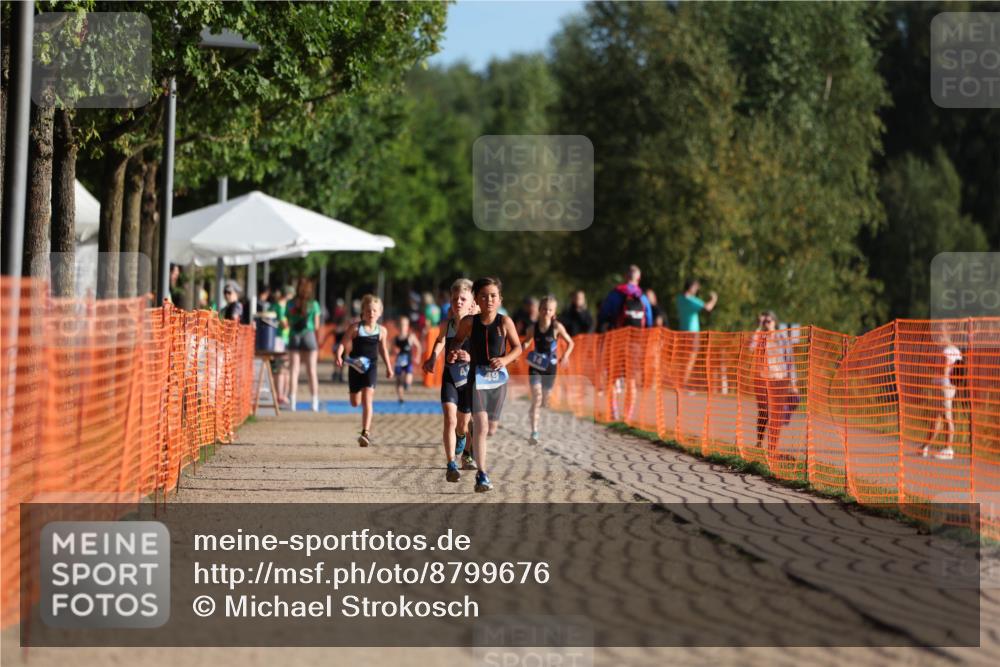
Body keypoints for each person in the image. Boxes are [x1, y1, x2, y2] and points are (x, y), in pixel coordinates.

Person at [449, 277, 523, 492]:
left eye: (493, 296)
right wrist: (455, 351)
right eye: (483, 296)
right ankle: (482, 475)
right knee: (481, 427)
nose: (488, 300)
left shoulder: (505, 322)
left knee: (490, 429)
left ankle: (470, 442)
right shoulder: (469, 322)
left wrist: (505, 360)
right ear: (477, 299)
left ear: (500, 299)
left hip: (498, 381)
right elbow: (457, 340)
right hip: (477, 379)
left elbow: (518, 348)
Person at [423, 279, 476, 482]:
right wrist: (432, 358)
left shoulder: (476, 325)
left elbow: (485, 354)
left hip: (469, 380)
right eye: (455, 299)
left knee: (464, 424)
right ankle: (451, 464)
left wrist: (470, 357)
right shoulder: (448, 325)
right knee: (450, 418)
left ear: (472, 301)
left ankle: (463, 442)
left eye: (463, 298)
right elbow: (440, 341)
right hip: (450, 377)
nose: (458, 302)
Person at [335, 295, 393, 447]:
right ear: (363, 312)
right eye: (368, 310)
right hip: (355, 367)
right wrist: (338, 356)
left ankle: (365, 432)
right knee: (355, 403)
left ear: (380, 312)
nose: (371, 313)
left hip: (371, 368)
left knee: (368, 398)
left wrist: (388, 366)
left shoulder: (382, 331)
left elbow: (383, 349)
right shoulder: (355, 328)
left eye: (374, 310)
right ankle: (357, 396)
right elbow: (342, 344)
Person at [525, 295, 574, 445]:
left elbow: (570, 342)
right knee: (537, 397)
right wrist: (519, 349)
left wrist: (565, 355)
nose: (547, 312)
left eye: (550, 309)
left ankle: (534, 410)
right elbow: (526, 342)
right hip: (535, 366)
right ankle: (534, 432)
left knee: (545, 400)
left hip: (550, 367)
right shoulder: (533, 328)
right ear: (539, 310)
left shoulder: (557, 327)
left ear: (554, 312)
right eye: (544, 308)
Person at [750, 311, 798, 461]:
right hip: (762, 379)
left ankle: (772, 447)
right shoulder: (760, 337)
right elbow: (751, 346)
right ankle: (759, 442)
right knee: (763, 412)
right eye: (764, 321)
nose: (766, 324)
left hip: (779, 379)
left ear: (775, 322)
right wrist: (758, 326)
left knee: (775, 415)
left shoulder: (782, 338)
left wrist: (793, 382)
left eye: (768, 321)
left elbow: (790, 360)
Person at [287, 277, 322, 412]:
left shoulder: (291, 304)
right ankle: (314, 402)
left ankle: (293, 402)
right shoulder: (314, 304)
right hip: (309, 336)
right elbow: (317, 325)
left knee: (294, 371)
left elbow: (289, 322)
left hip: (294, 336)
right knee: (311, 371)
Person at [925, 337, 963, 460]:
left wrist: (932, 364)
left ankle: (948, 448)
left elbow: (944, 369)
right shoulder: (954, 350)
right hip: (947, 386)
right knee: (937, 417)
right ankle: (925, 446)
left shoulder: (947, 351)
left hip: (944, 386)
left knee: (946, 416)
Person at [677, 278, 718, 390]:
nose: (696, 290)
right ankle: (683, 384)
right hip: (692, 334)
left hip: (682, 332)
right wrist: (714, 299)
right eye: (695, 287)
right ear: (690, 287)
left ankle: (680, 382)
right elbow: (708, 307)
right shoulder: (691, 300)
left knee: (683, 359)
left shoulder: (679, 298)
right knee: (690, 359)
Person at [269, 285, 293, 408]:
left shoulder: (287, 307)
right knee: (279, 368)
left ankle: (283, 395)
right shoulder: (278, 307)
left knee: (285, 369)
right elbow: (284, 325)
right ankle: (279, 396)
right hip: (279, 340)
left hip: (286, 340)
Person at [392, 315, 423, 404]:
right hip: (398, 362)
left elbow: (419, 346)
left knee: (408, 378)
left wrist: (418, 357)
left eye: (405, 325)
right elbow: (391, 350)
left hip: (408, 362)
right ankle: (400, 398)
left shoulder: (411, 337)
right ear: (398, 326)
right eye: (401, 325)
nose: (403, 327)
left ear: (408, 326)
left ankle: (407, 384)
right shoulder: (396, 339)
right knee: (398, 381)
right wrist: (394, 351)